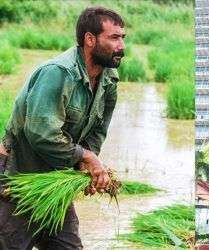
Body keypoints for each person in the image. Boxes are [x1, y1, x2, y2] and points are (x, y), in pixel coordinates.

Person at [0, 6, 125, 249]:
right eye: (113, 38)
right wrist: (85, 157)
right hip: (17, 178)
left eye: (122, 38)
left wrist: (84, 166)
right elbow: (41, 133)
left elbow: (98, 132)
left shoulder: (109, 79)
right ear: (90, 39)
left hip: (55, 182)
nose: (121, 46)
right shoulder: (58, 73)